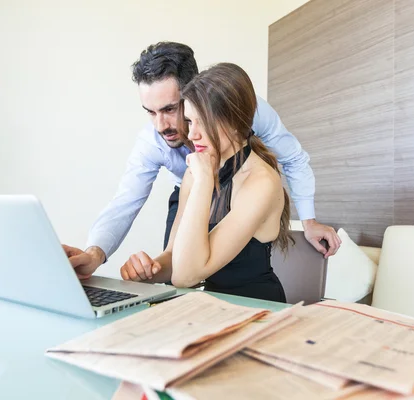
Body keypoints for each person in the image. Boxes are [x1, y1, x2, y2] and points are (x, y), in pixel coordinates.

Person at [63, 42, 341, 280]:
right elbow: (126, 201)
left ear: (196, 94)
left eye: (170, 109)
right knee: (176, 274)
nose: (161, 125)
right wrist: (97, 254)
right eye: (150, 112)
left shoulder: (243, 111)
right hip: (193, 189)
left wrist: (309, 221)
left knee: (202, 269)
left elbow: (292, 156)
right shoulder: (161, 150)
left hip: (237, 189)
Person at [120, 62, 291, 302]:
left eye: (203, 122)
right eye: (189, 121)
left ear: (234, 121)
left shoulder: (261, 182)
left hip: (257, 308)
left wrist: (202, 182)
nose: (191, 135)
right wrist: (149, 271)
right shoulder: (198, 170)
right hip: (212, 307)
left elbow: (185, 277)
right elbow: (175, 258)